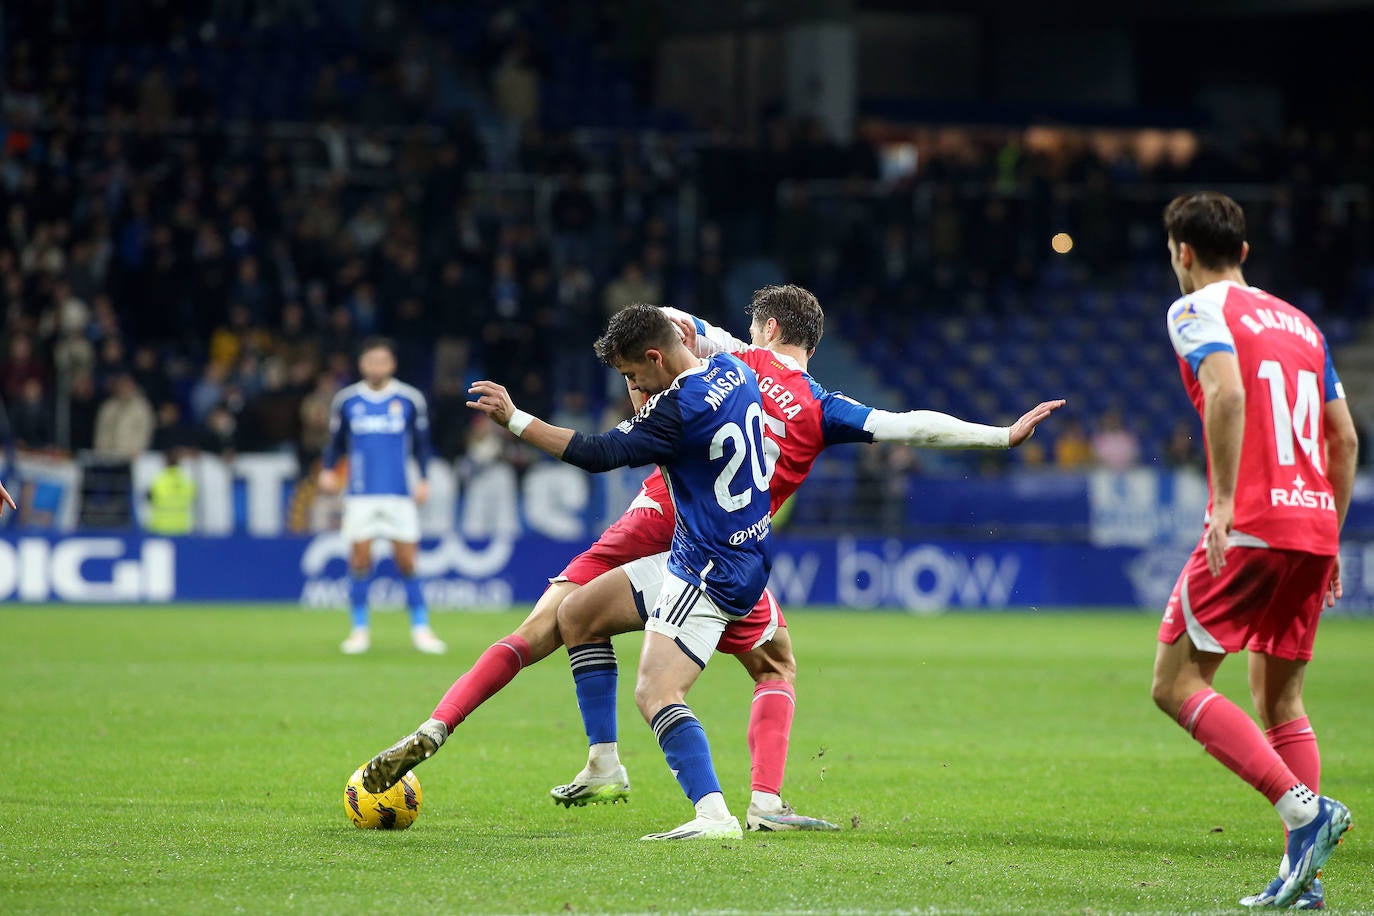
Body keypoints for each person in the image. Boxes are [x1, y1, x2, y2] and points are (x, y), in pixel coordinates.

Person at [360, 287, 1061, 832]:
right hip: (737, 543)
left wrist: (624, 365)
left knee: (553, 625)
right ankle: (760, 798)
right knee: (775, 661)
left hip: (674, 518)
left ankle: (461, 731)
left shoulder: (737, 359)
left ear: (770, 331)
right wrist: (1000, 436)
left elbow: (673, 326)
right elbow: (910, 426)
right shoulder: (820, 405)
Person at [470, 303, 773, 840]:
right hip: (725, 551)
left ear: (657, 356)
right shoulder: (735, 369)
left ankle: (714, 817)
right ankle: (604, 763)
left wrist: (514, 419)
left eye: (634, 375)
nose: (634, 386)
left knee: (656, 692)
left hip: (709, 569)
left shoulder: (679, 409)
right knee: (578, 612)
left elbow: (597, 452)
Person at [1149, 192, 1356, 909]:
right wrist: (1328, 536)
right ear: (1244, 251)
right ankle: (1306, 880)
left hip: (1256, 520)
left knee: (1175, 684)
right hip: (1313, 524)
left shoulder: (1195, 308)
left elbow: (1228, 393)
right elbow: (1347, 439)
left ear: (1182, 252)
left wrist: (1229, 505)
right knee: (1282, 698)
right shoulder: (1301, 324)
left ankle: (1305, 813)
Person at [318, 337, 444, 656]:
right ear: (362, 365)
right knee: (359, 560)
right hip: (360, 494)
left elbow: (422, 444)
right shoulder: (347, 401)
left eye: (382, 361)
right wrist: (329, 469)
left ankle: (421, 629)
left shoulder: (409, 399)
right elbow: (334, 442)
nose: (377, 367)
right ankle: (359, 630)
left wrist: (425, 478)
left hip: (399, 494)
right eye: (371, 361)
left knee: (407, 562)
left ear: (392, 365)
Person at [145, 449, 196, 535]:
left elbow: (148, 497)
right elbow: (193, 496)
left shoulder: (159, 480)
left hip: (161, 527)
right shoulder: (187, 481)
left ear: (166, 462)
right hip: (182, 527)